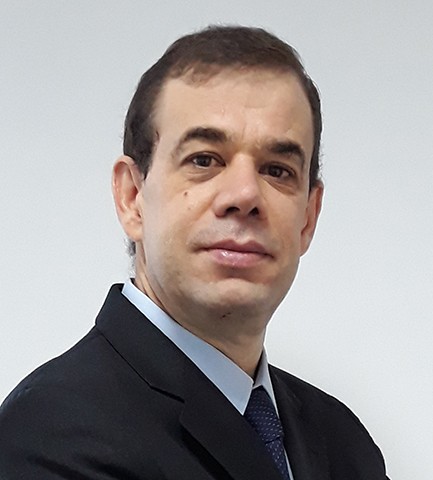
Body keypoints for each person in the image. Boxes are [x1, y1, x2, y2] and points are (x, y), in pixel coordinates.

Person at [0, 25, 390, 479]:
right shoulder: (50, 436)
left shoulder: (344, 444)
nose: (245, 195)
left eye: (277, 170)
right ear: (132, 198)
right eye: (204, 160)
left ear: (308, 216)